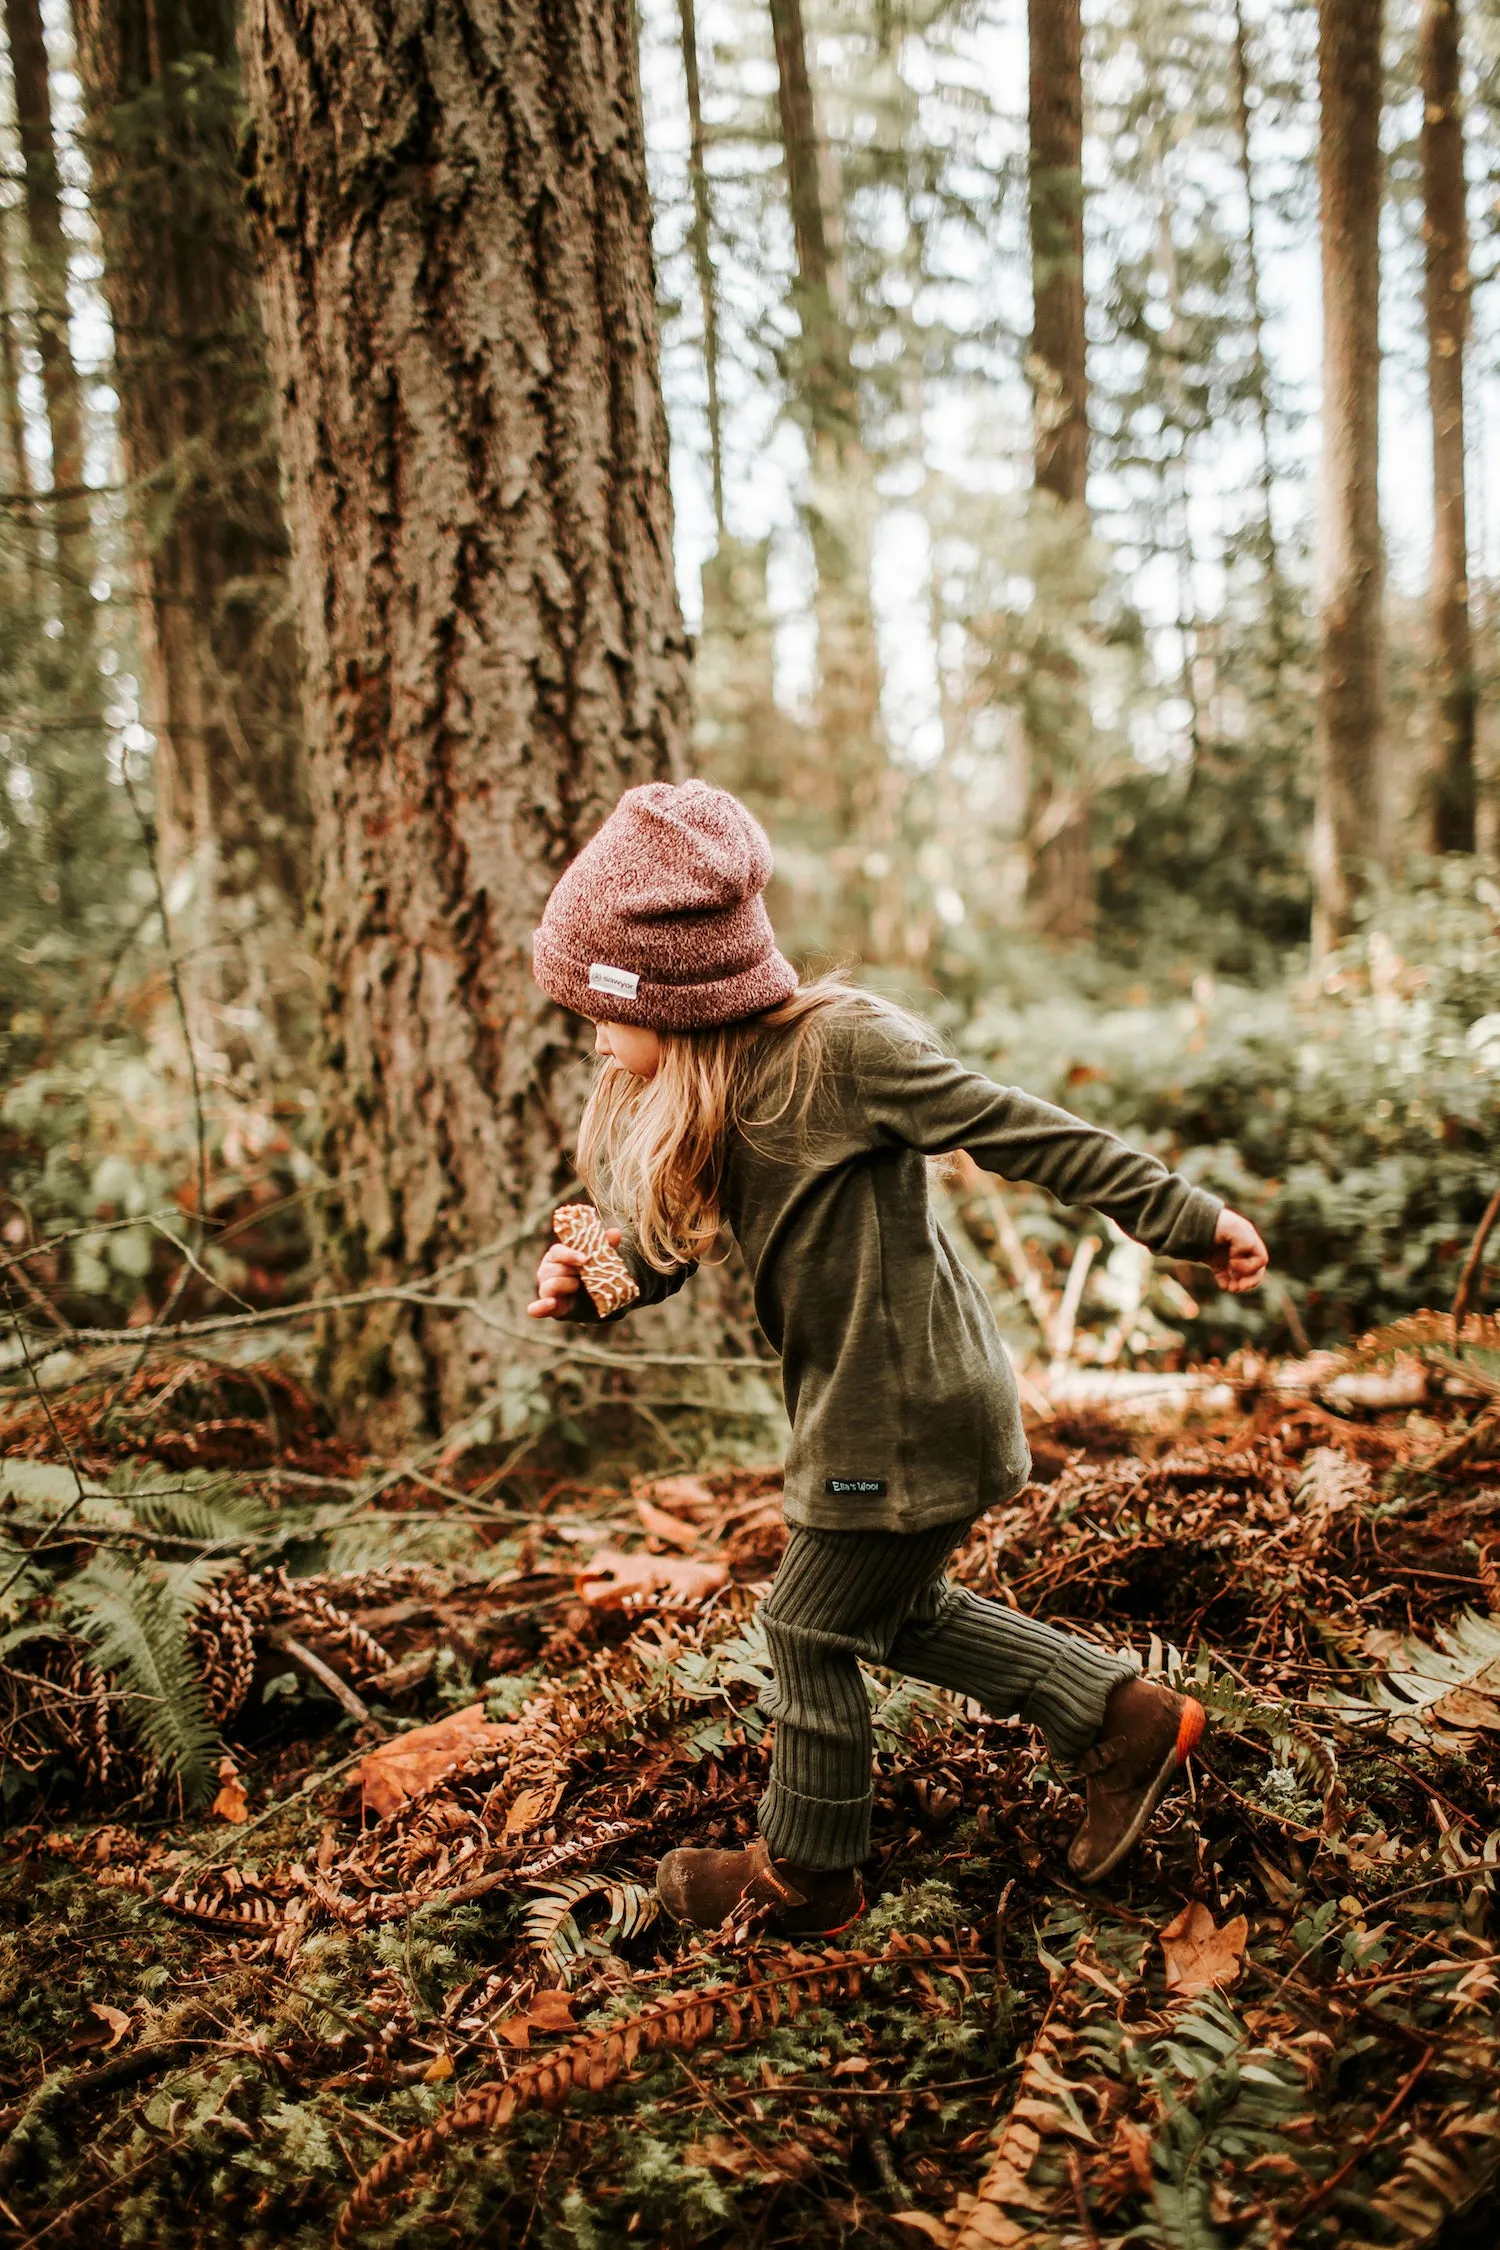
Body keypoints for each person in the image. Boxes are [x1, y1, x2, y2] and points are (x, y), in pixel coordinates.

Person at [528, 780, 1268, 1935]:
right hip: (877, 1408)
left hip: (906, 1411)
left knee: (807, 1626)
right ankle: (1118, 1718)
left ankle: (808, 1877)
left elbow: (1018, 1127)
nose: (589, 1031)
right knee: (894, 1609)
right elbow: (689, 1236)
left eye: (596, 1006)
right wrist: (606, 1276)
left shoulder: (844, 1053)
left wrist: (1183, 1217)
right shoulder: (719, 1092)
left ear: (666, 993)